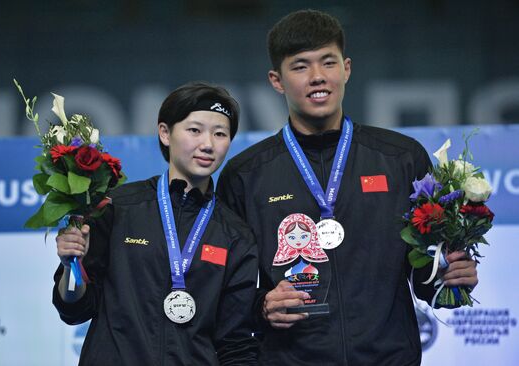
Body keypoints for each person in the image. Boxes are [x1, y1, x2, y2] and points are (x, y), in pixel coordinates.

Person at [217, 9, 478, 365]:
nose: (317, 77)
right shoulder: (245, 175)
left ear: (347, 69)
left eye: (328, 62)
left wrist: (451, 276)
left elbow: (426, 279)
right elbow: (227, 288)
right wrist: (261, 304)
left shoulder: (401, 159)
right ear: (276, 81)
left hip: (388, 358)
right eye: (300, 67)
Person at [53, 82, 258, 365]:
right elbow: (74, 309)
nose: (208, 144)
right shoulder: (117, 206)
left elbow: (235, 344)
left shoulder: (236, 234)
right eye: (194, 130)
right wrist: (70, 266)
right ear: (165, 133)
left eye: (220, 134)